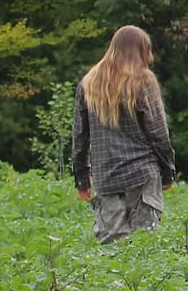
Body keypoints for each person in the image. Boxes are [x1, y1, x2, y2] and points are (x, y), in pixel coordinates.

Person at [72, 25, 176, 244]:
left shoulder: (88, 84)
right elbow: (159, 134)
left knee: (112, 251)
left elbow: (80, 136)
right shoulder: (143, 81)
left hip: (106, 177)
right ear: (141, 51)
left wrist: (82, 178)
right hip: (142, 174)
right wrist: (168, 172)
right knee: (145, 247)